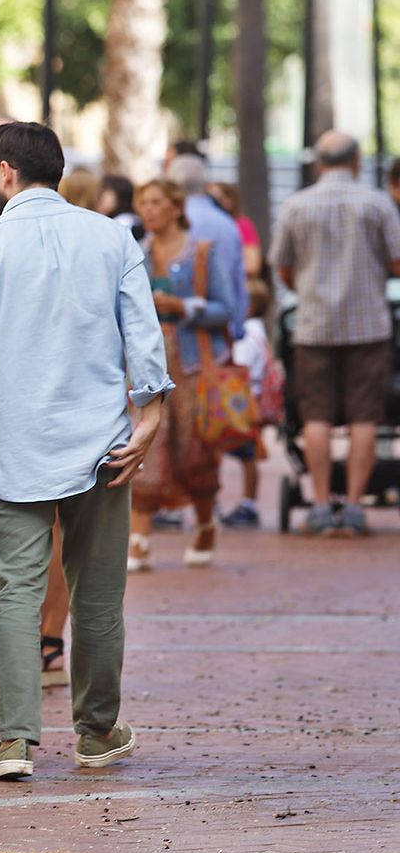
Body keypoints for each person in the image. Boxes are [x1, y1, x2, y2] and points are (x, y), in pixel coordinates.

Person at [0, 121, 172, 781]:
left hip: (16, 448)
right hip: (103, 444)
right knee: (98, 592)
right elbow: (142, 336)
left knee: (15, 593)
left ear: (6, 172)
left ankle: (15, 740)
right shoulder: (110, 237)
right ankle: (96, 730)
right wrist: (149, 411)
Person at [269, 131, 400, 535]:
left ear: (319, 163)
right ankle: (357, 504)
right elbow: (396, 262)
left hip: (313, 327)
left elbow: (283, 267)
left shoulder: (295, 206)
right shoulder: (377, 204)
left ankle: (322, 503)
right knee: (365, 415)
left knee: (317, 415)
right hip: (369, 327)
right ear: (357, 160)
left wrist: (306, 287)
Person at [125, 180, 232, 571]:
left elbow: (228, 308)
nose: (149, 210)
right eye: (143, 202)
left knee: (194, 449)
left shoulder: (201, 253)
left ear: (176, 207)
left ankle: (205, 523)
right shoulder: (135, 253)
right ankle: (139, 537)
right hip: (145, 364)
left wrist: (184, 306)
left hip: (191, 365)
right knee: (146, 446)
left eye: (156, 202)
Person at [166, 154, 245, 338]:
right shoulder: (227, 224)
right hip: (221, 335)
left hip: (179, 337)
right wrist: (237, 331)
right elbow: (238, 284)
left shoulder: (172, 223)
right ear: (206, 183)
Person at [221, 281, 275, 529]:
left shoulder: (247, 335)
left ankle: (248, 503)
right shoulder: (260, 332)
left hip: (244, 402)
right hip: (250, 399)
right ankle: (247, 502)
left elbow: (238, 366)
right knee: (247, 454)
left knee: (246, 454)